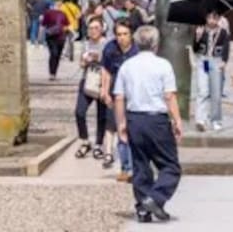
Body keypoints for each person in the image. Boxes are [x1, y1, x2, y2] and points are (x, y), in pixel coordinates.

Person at [114, 24, 183, 224]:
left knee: (141, 165)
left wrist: (121, 123)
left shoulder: (127, 65)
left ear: (136, 42)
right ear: (155, 44)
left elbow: (119, 97)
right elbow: (169, 96)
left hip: (135, 117)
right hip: (157, 118)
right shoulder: (163, 65)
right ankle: (155, 198)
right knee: (170, 165)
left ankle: (143, 207)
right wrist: (177, 120)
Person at [101, 20, 139, 180]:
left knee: (134, 131)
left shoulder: (137, 50)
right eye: (119, 34)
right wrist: (104, 90)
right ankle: (126, 167)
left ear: (131, 35)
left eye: (125, 34)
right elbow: (106, 70)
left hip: (134, 94)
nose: (122, 38)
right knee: (120, 130)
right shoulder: (110, 48)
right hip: (116, 94)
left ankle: (137, 167)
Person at [74, 16, 109, 159]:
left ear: (102, 29)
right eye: (91, 28)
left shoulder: (106, 44)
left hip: (102, 81)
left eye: (96, 28)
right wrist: (85, 61)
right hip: (87, 80)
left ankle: (99, 145)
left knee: (102, 116)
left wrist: (98, 58)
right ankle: (85, 141)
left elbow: (109, 62)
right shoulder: (85, 44)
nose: (93, 31)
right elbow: (80, 63)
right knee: (79, 112)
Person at [193, 10, 230, 132]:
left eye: (214, 18)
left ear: (218, 19)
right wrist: (197, 38)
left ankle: (216, 120)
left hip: (216, 61)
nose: (212, 21)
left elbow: (226, 47)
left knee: (216, 92)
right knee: (203, 90)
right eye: (209, 18)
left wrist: (224, 61)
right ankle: (201, 119)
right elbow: (195, 48)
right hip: (204, 61)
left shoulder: (223, 32)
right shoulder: (201, 30)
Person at [41, 0, 69, 80]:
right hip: (54, 37)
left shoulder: (61, 14)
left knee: (56, 55)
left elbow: (43, 24)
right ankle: (52, 73)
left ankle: (53, 73)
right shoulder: (51, 13)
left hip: (57, 37)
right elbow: (66, 25)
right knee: (55, 54)